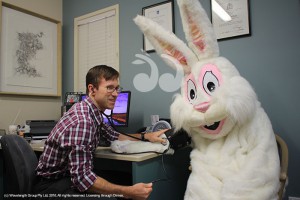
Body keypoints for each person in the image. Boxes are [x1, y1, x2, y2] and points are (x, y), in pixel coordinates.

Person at [33, 65, 167, 200]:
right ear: (92, 90)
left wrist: (147, 136)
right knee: (120, 192)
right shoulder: (83, 121)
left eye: (116, 88)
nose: (116, 94)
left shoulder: (92, 112)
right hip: (51, 186)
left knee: (124, 179)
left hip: (68, 177)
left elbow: (115, 136)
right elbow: (82, 179)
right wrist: (129, 192)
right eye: (109, 88)